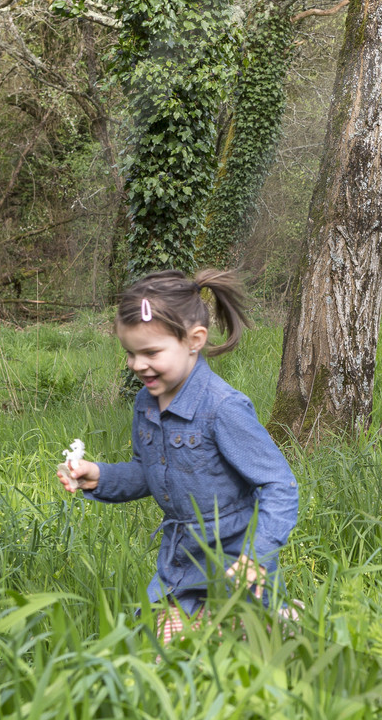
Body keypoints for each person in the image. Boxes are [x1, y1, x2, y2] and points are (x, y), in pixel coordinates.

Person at [56, 268, 300, 641]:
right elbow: (148, 473)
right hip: (181, 557)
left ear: (194, 340)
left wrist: (258, 553)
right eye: (130, 353)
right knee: (160, 648)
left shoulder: (223, 408)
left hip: (236, 556)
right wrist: (99, 476)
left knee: (245, 650)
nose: (138, 365)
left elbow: (278, 484)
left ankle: (273, 618)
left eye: (151, 352)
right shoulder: (145, 403)